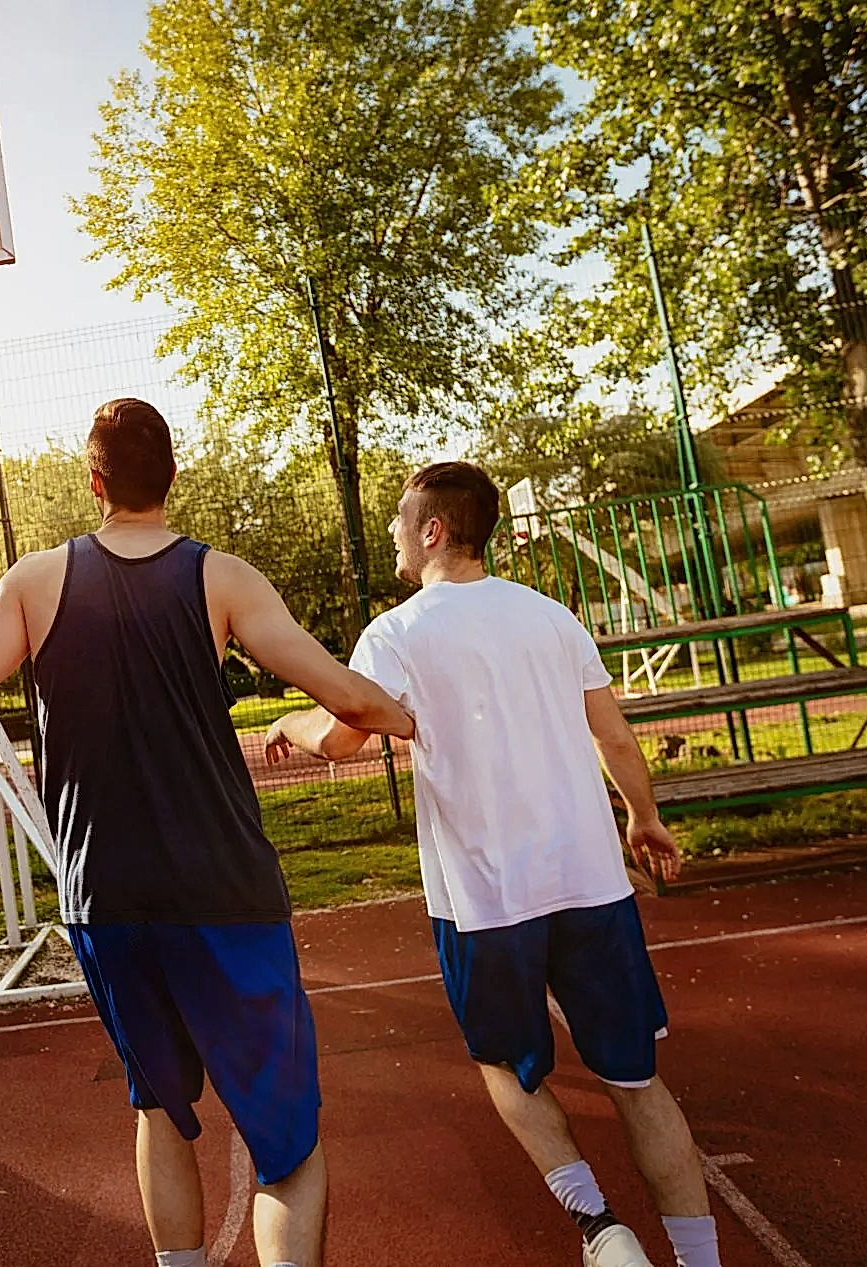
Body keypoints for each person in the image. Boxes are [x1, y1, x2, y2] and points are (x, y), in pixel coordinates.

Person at [0, 398, 414, 1267]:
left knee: (158, 1109)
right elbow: (347, 697)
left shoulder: (33, 582)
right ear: (172, 477)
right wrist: (415, 718)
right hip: (225, 892)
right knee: (289, 1149)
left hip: (106, 898)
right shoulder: (222, 578)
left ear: (94, 481)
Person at [265, 462, 720, 1267]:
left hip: (485, 900)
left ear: (434, 529)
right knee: (637, 1080)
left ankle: (601, 1229)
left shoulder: (397, 632)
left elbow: (342, 737)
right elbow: (614, 737)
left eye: (403, 517)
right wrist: (643, 815)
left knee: (507, 1066)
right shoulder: (552, 617)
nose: (395, 531)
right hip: (590, 883)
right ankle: (699, 1259)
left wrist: (289, 724)